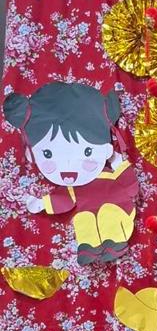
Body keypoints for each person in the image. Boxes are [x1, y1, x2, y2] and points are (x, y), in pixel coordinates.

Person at [3, 81, 138, 264]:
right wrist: (42, 203)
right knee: (83, 219)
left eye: (88, 152)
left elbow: (131, 187)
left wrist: (119, 164)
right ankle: (88, 248)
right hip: (88, 215)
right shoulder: (74, 187)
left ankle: (114, 243)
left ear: (105, 150)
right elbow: (64, 200)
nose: (69, 169)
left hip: (118, 212)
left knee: (107, 213)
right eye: (48, 154)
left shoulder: (108, 175)